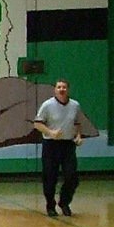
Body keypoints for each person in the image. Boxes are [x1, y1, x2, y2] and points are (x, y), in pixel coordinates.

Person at [33, 78, 84, 216]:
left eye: (64, 87)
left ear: (68, 89)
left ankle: (64, 202)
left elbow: (77, 123)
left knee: (72, 176)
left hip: (68, 145)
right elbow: (37, 124)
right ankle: (50, 205)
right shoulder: (47, 105)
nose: (61, 89)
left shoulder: (75, 105)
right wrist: (51, 132)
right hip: (51, 145)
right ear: (55, 90)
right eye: (59, 87)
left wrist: (78, 136)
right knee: (50, 177)